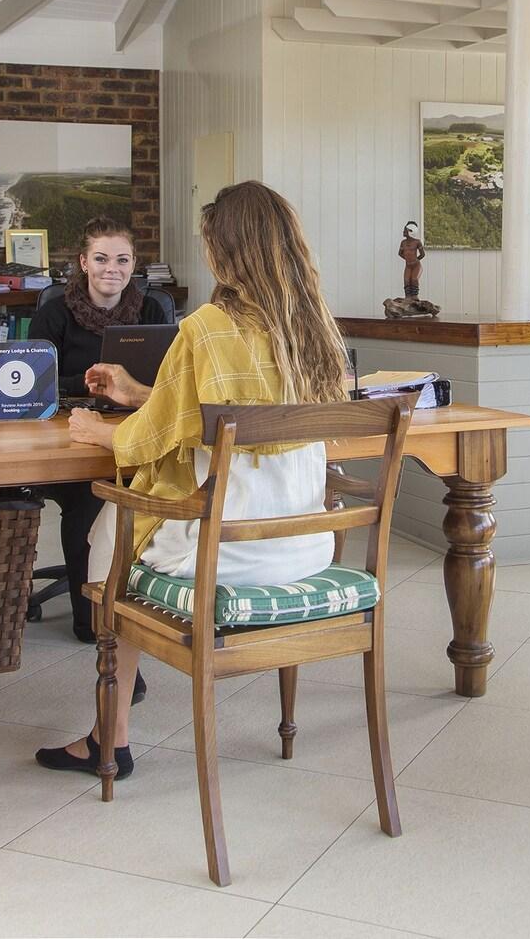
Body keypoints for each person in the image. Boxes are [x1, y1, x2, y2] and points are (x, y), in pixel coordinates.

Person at [35, 181, 348, 780]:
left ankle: (111, 735)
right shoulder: (315, 330)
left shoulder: (206, 327)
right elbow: (224, 414)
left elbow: (153, 438)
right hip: (304, 546)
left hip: (222, 553)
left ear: (224, 252)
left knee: (109, 534)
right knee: (119, 530)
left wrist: (98, 431)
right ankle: (117, 727)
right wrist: (138, 392)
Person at [29, 215, 175, 641]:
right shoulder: (56, 312)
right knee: (88, 500)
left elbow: (172, 380)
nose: (113, 268)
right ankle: (92, 618)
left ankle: (149, 603)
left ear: (134, 265)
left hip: (138, 422)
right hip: (69, 424)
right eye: (102, 258)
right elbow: (33, 380)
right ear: (84, 263)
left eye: (123, 259)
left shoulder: (152, 309)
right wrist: (88, 382)